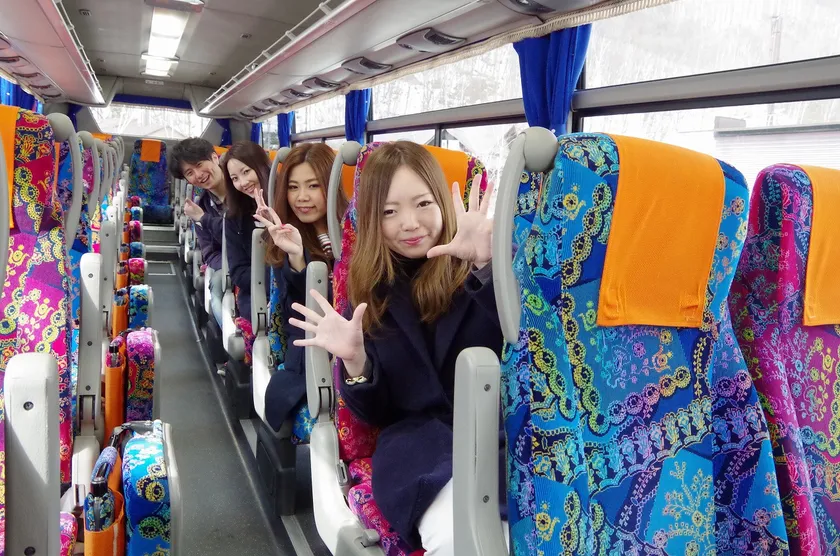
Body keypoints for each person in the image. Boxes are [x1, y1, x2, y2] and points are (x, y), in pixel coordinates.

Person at [288, 142, 502, 555]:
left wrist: (488, 268)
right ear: (372, 218)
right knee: (458, 536)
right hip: (417, 447)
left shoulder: (486, 264)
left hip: (498, 436)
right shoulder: (367, 288)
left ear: (444, 203)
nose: (409, 223)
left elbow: (526, 351)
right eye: (389, 211)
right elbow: (375, 413)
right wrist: (356, 360)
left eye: (423, 204)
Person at [255, 143, 348, 431]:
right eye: (293, 187)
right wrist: (297, 258)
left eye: (313, 185)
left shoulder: (354, 231)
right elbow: (294, 312)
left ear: (331, 188)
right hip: (312, 349)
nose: (302, 197)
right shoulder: (285, 238)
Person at [170, 138, 226, 326]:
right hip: (228, 264)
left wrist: (204, 218)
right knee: (217, 286)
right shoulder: (200, 206)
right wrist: (230, 266)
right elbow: (209, 252)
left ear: (214, 158)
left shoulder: (243, 188)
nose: (198, 175)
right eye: (190, 173)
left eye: (200, 165)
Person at [222, 141, 271, 324]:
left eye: (246, 172)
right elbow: (238, 272)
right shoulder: (234, 218)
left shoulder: (289, 202)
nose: (243, 183)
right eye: (235, 178)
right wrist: (274, 282)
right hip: (256, 293)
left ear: (262, 166)